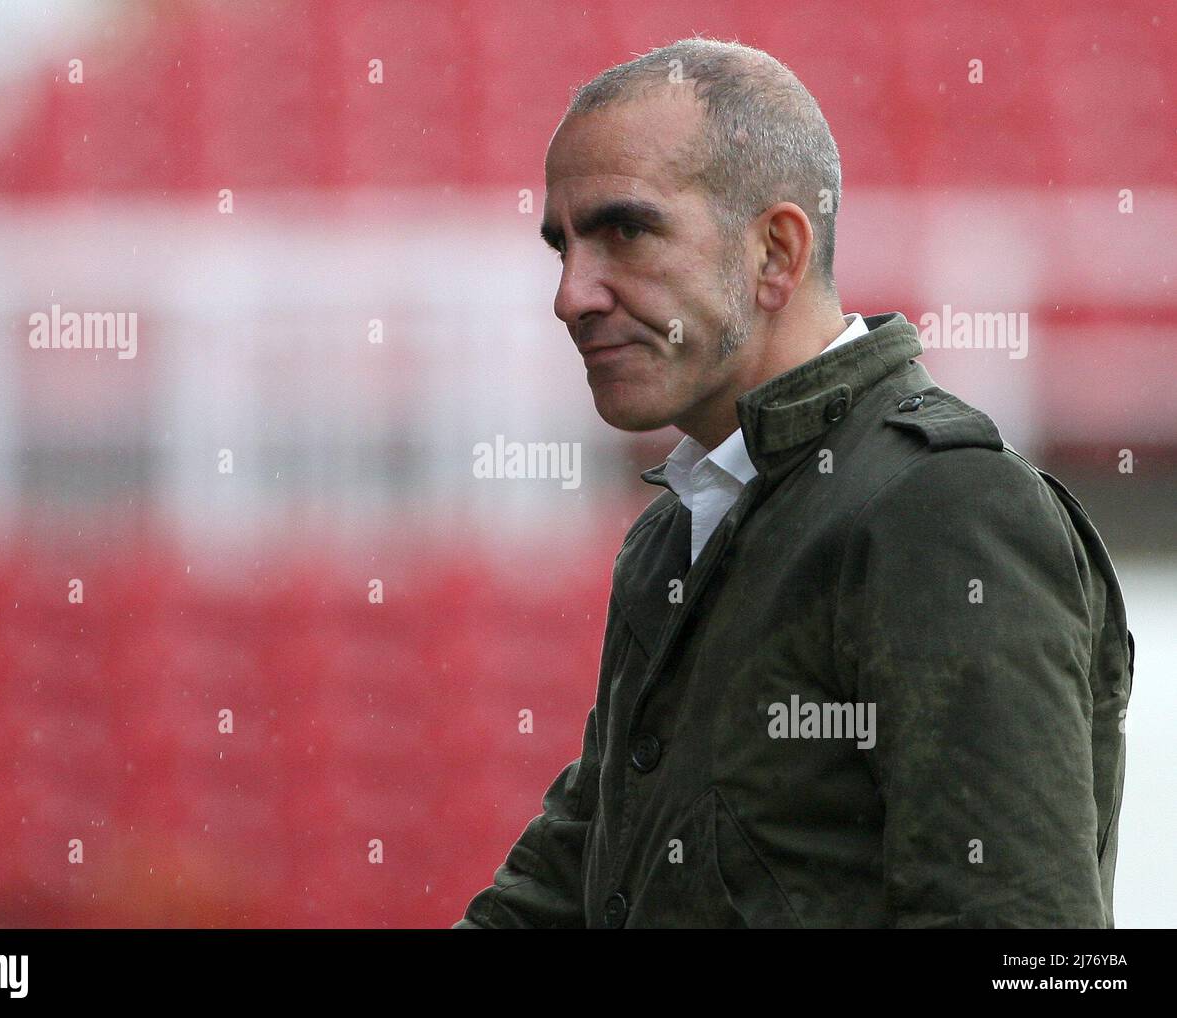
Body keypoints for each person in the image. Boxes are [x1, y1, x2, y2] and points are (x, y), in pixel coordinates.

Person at [453, 38, 1132, 928]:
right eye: (563, 247)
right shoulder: (679, 529)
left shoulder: (943, 510)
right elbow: (565, 885)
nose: (572, 294)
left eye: (626, 231)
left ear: (777, 251)